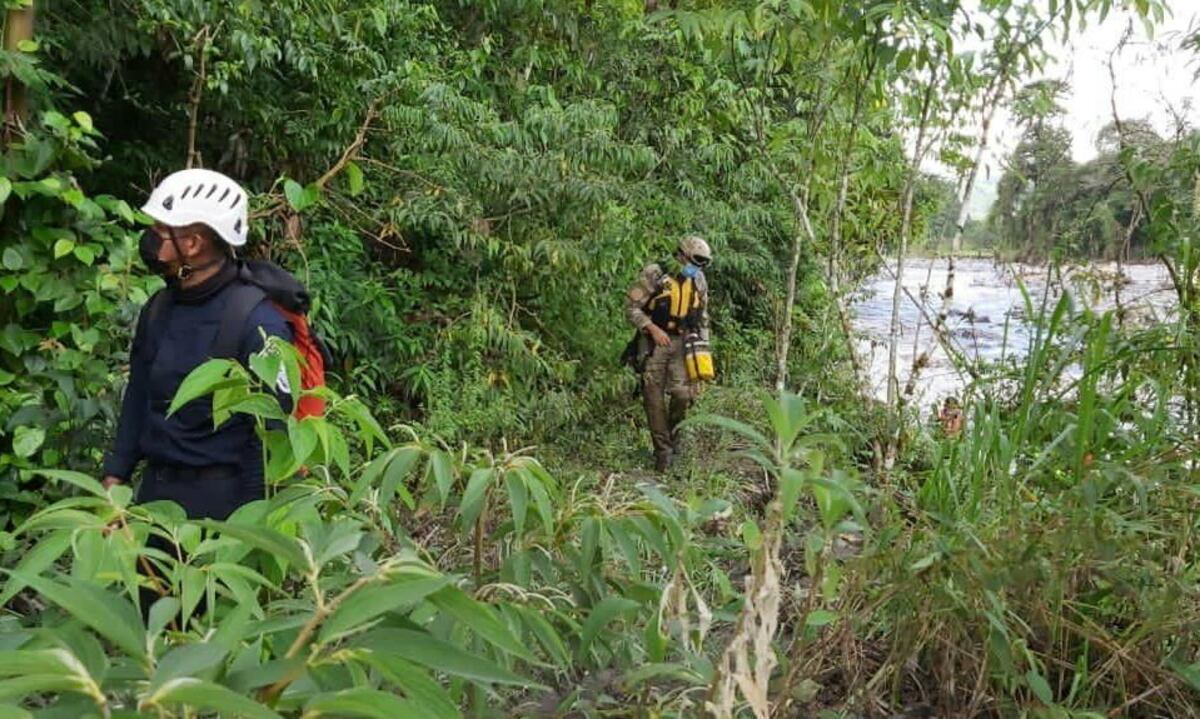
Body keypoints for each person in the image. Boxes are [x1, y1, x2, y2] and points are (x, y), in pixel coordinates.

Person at [102, 168, 293, 521]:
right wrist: (115, 477)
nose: (150, 239)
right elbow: (139, 395)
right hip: (154, 498)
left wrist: (250, 531)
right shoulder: (159, 308)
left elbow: (270, 440)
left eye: (160, 231)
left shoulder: (257, 323)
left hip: (221, 506)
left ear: (192, 243)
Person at [625, 235, 712, 472]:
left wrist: (703, 357)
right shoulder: (655, 274)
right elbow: (631, 308)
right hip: (654, 342)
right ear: (682, 254)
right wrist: (651, 329)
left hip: (684, 342)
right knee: (653, 398)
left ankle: (674, 437)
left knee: (683, 395)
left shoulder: (699, 281)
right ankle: (663, 453)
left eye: (704, 263)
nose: (698, 267)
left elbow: (703, 319)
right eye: (696, 261)